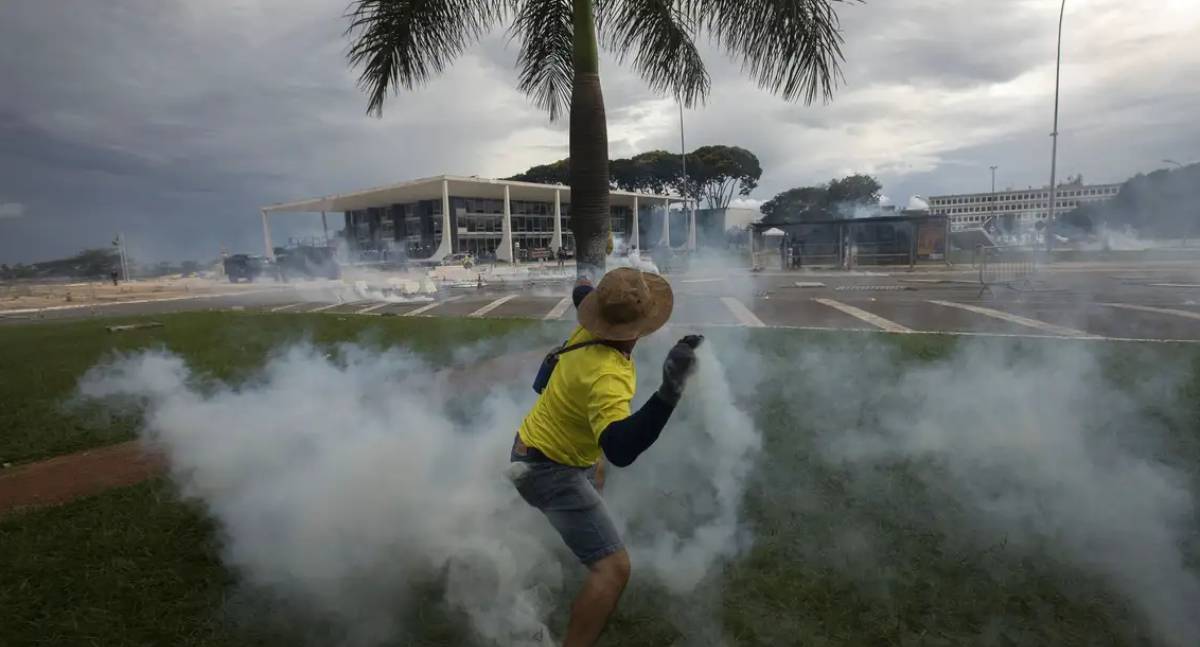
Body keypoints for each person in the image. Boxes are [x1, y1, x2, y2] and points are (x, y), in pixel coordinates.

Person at [509, 268, 701, 647]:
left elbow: (582, 290)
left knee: (596, 472)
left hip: (532, 445)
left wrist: (585, 275)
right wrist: (670, 389)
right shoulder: (608, 374)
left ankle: (578, 527)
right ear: (641, 326)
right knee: (614, 569)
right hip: (547, 469)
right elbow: (620, 448)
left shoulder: (590, 324)